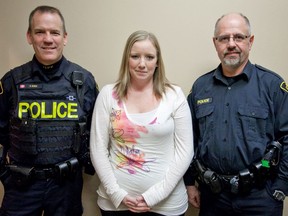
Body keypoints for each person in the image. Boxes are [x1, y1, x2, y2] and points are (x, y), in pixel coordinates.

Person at [184, 12, 288, 216]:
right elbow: (188, 139)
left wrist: (281, 186)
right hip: (213, 196)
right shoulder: (200, 88)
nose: (231, 44)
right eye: (224, 38)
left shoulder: (272, 85)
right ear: (215, 43)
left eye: (239, 37)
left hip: (260, 197)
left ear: (251, 41)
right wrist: (190, 183)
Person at [0, 5, 98, 216]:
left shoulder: (85, 81)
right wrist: (4, 174)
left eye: (54, 32)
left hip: (66, 186)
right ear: (29, 36)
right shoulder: (11, 82)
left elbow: (96, 133)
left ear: (65, 37)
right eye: (40, 32)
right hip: (21, 186)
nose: (48, 39)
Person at [90, 30, 194, 216]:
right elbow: (97, 149)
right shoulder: (108, 94)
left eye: (149, 57)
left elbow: (185, 152)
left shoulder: (174, 95)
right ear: (126, 59)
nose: (142, 64)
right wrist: (117, 194)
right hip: (115, 204)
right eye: (135, 56)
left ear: (157, 61)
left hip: (166, 204)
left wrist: (154, 196)